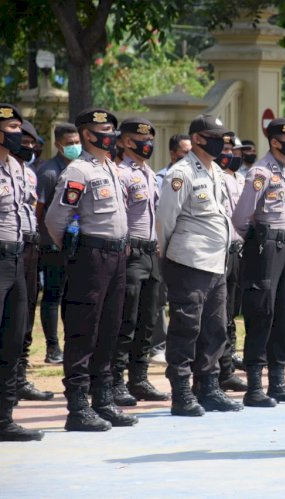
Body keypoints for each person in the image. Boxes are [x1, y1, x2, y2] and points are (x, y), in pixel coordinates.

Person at [45, 107, 137, 431]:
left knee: (110, 329)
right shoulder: (78, 170)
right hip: (91, 257)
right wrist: (76, 251)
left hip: (116, 257)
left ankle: (103, 398)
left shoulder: (111, 167)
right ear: (87, 134)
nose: (111, 134)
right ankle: (78, 406)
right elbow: (56, 220)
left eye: (112, 128)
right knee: (84, 330)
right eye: (104, 129)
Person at [156, 114, 243, 416]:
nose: (221, 142)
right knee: (186, 328)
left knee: (214, 328)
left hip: (216, 261)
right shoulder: (181, 174)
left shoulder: (216, 170)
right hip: (188, 260)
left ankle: (208, 387)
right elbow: (165, 220)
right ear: (197, 139)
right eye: (214, 136)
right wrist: (168, 254)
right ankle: (181, 392)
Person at [232, 118, 285, 408]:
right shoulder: (260, 172)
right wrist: (254, 243)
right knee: (261, 312)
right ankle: (254, 386)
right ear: (275, 142)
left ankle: (278, 383)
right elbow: (241, 217)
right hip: (264, 246)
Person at [111, 117, 170, 407]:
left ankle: (139, 377)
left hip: (151, 252)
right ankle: (115, 381)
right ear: (123, 141)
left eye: (149, 140)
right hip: (131, 253)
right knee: (127, 319)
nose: (146, 145)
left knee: (148, 319)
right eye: (138, 140)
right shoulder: (120, 174)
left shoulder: (149, 173)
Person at [0, 104, 44, 441]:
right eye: (12, 127)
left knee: (13, 339)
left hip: (17, 258)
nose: (19, 133)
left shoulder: (16, 166)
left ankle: (4, 419)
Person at [13, 120, 53, 402]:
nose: (28, 148)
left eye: (31, 144)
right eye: (23, 142)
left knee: (25, 316)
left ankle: (20, 377)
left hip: (30, 249)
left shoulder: (29, 173)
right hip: (8, 248)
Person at [35, 123, 81, 365]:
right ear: (59, 144)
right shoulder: (50, 172)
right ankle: (52, 348)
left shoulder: (80, 168)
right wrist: (49, 239)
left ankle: (69, 345)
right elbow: (39, 209)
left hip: (75, 243)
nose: (75, 146)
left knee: (71, 296)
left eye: (77, 141)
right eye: (70, 142)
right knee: (53, 295)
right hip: (53, 244)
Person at [213, 136, 249, 393]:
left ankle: (227, 366)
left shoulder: (241, 178)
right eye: (226, 150)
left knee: (232, 312)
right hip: (218, 252)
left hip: (238, 250)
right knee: (218, 313)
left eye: (234, 150)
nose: (231, 154)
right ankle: (217, 368)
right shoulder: (213, 176)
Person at [151, 133, 192, 364]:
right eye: (185, 152)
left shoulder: (199, 174)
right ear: (173, 153)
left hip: (187, 247)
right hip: (163, 244)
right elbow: (160, 215)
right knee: (160, 296)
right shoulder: (161, 179)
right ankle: (158, 344)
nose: (189, 156)